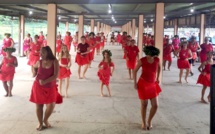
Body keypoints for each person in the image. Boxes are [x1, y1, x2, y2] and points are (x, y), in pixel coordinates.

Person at [29, 46, 62, 131]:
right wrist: (34, 72)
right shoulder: (39, 62)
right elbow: (34, 67)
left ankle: (45, 120)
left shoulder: (55, 61)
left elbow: (55, 75)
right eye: (40, 52)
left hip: (50, 87)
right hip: (38, 86)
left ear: (48, 53)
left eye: (43, 52)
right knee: (39, 105)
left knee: (51, 105)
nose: (41, 54)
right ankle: (40, 123)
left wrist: (45, 81)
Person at [133, 46, 161, 130]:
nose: (149, 56)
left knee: (155, 105)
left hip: (153, 84)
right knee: (144, 104)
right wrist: (135, 83)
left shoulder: (157, 60)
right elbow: (135, 71)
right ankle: (143, 122)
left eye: (151, 55)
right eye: (148, 54)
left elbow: (159, 68)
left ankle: (149, 121)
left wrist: (158, 78)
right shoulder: (142, 60)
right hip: (143, 83)